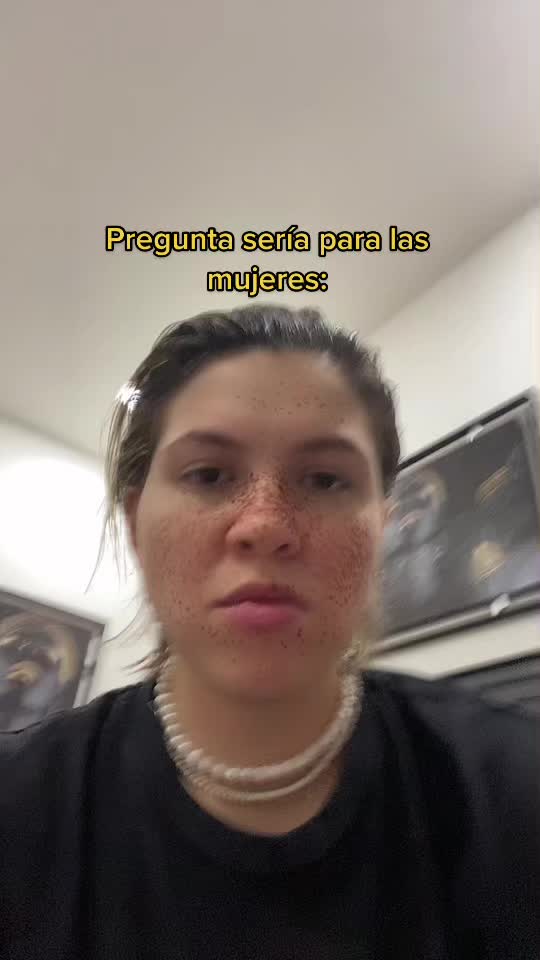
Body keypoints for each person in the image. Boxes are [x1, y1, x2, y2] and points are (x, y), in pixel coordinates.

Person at [0, 305, 538, 960]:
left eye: (325, 479)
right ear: (137, 524)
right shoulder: (20, 805)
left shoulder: (511, 791)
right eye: (208, 475)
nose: (265, 524)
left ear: (380, 528)